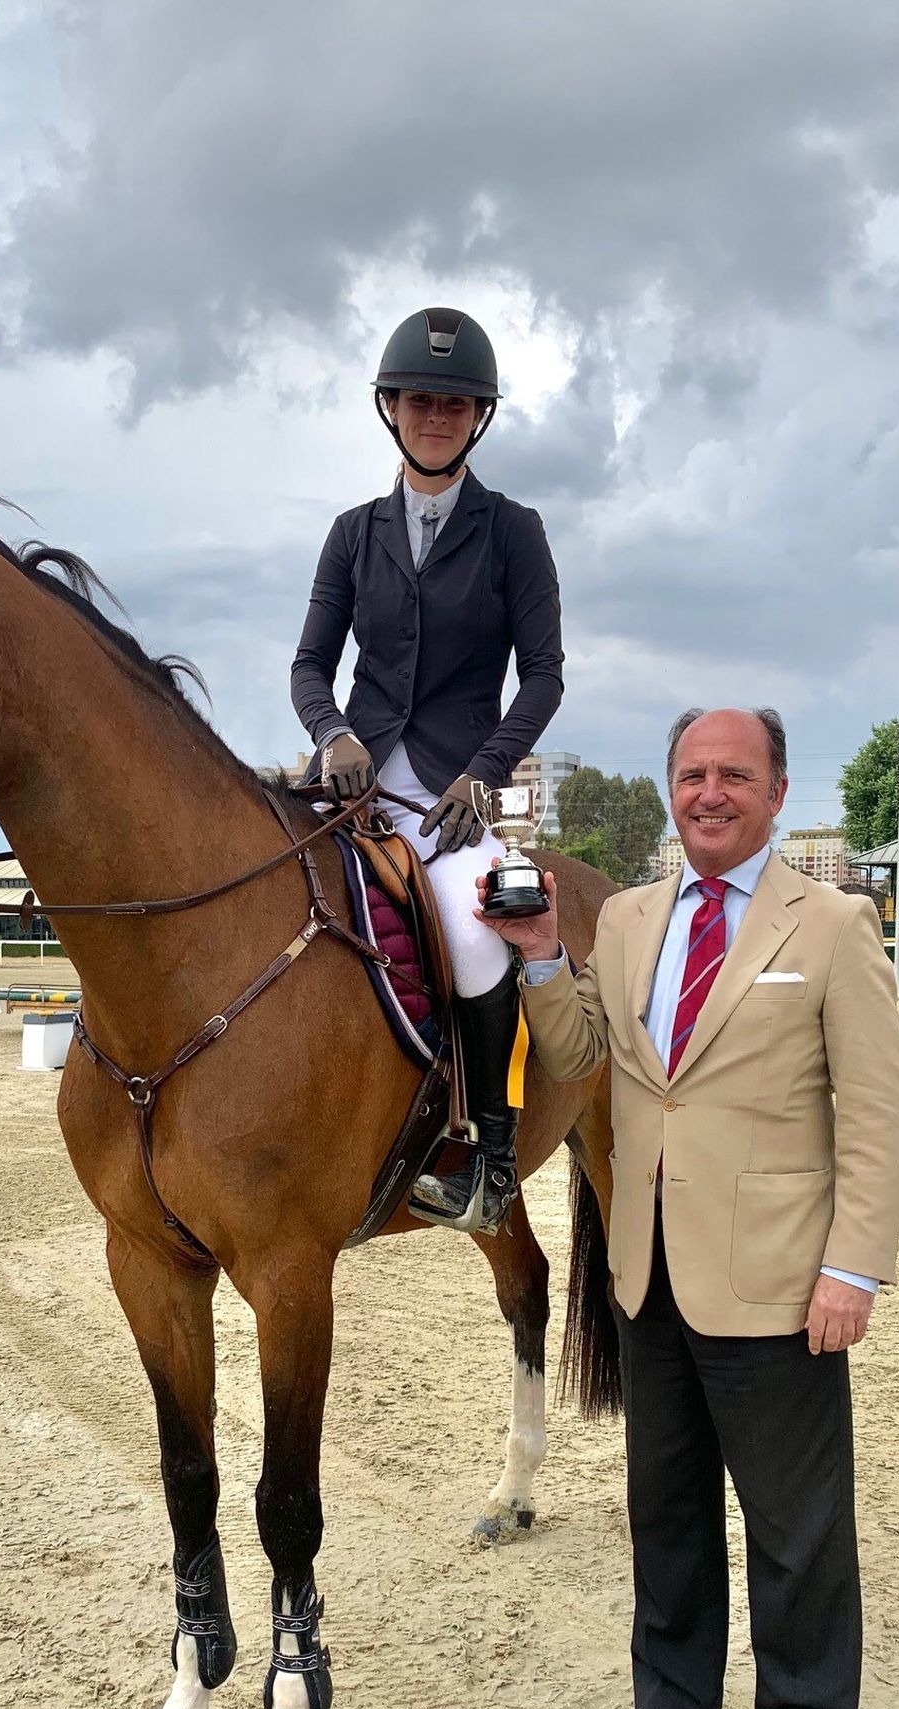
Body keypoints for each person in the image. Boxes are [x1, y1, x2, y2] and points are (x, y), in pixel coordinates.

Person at [480, 707, 899, 1709]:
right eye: (690, 774)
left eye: (732, 774)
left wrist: (853, 1268)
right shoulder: (625, 921)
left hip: (778, 1277)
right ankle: (672, 1697)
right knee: (665, 1508)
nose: (707, 792)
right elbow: (581, 1062)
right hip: (647, 1270)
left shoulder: (829, 924)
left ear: (775, 790)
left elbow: (876, 1112)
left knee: (794, 1527)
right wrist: (538, 964)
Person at [291, 307, 564, 1232]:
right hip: (354, 782)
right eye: (419, 400)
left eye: (453, 403)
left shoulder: (512, 531)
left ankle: (491, 1165)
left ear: (477, 416)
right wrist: (332, 733)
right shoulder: (353, 533)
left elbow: (545, 675)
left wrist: (484, 774)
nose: (434, 415)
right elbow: (308, 665)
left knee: (481, 930)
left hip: (451, 794)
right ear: (392, 410)